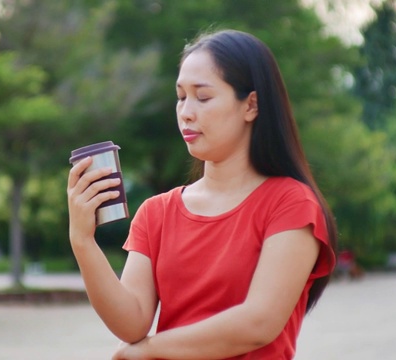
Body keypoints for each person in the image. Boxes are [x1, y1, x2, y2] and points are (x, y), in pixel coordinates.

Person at [67, 29, 337, 360]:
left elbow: (258, 324)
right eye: (181, 97)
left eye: (203, 97)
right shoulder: (157, 213)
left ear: (251, 105)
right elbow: (131, 322)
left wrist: (150, 351)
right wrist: (83, 241)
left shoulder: (291, 204)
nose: (186, 112)